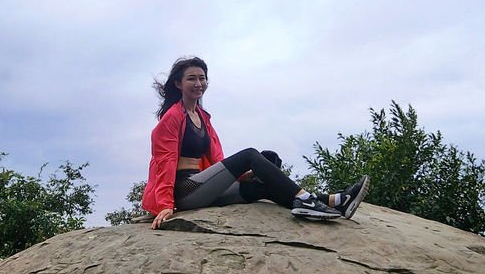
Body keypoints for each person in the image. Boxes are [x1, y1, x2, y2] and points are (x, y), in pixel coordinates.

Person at [141, 56, 369, 230]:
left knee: (261, 184)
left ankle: (334, 201)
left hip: (202, 186)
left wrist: (245, 175)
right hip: (184, 190)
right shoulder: (172, 117)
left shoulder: (203, 117)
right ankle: (305, 200)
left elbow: (219, 161)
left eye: (202, 78)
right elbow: (164, 163)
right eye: (192, 78)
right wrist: (165, 205)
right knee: (250, 154)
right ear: (179, 84)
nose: (199, 83)